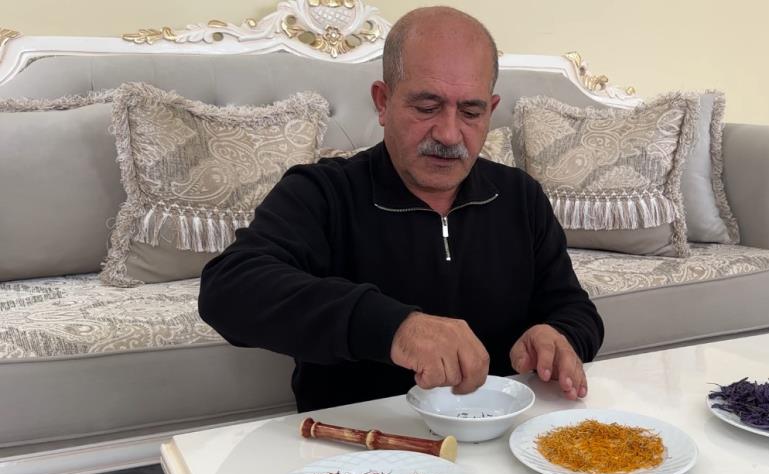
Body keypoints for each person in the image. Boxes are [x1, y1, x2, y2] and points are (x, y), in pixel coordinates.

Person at [198, 6, 604, 412]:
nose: (449, 134)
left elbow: (574, 308)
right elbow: (228, 290)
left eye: (470, 112)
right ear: (383, 101)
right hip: (357, 437)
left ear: (490, 110)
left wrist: (560, 337)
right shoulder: (322, 192)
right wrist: (394, 328)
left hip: (502, 430)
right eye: (426, 107)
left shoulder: (520, 196)